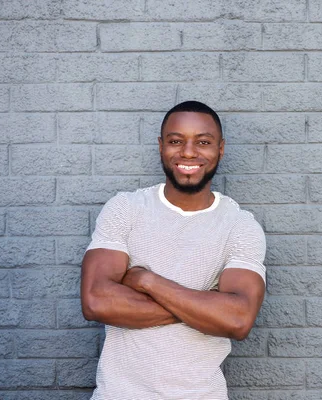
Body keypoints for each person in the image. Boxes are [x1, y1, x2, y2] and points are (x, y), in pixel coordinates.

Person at [80, 101, 266, 399]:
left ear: (221, 149)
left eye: (203, 142)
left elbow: (238, 320)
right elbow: (96, 302)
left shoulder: (239, 226)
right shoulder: (125, 209)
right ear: (161, 146)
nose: (189, 152)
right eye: (176, 141)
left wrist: (146, 282)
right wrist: (205, 306)